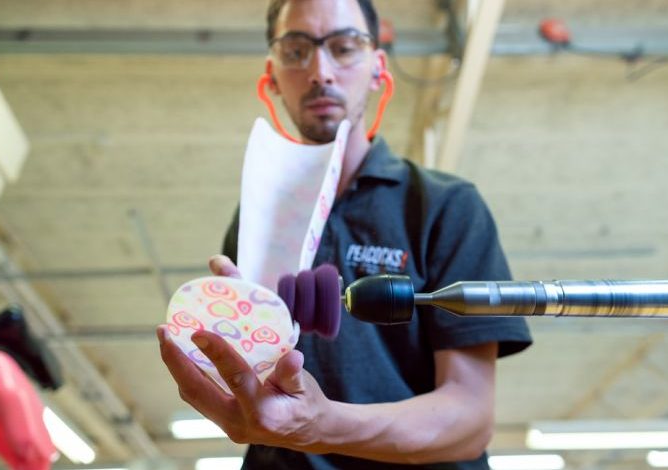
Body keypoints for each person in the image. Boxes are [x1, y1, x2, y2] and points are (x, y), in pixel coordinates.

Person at [157, 0, 532, 468]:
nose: (320, 71)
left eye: (344, 47)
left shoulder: (445, 205)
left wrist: (323, 427)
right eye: (295, 50)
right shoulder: (254, 217)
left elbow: (470, 420)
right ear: (271, 75)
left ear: (378, 67)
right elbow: (257, 387)